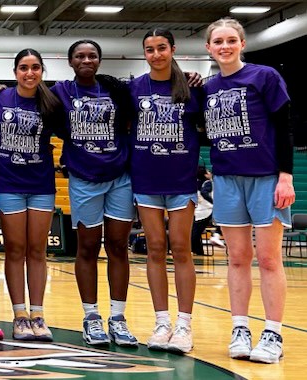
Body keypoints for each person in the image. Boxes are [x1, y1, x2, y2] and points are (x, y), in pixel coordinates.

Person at [203, 17, 293, 364]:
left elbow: (285, 125)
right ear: (209, 48)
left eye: (230, 40)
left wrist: (285, 176)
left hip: (265, 177)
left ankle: (273, 333)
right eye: (218, 42)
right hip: (227, 179)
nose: (224, 46)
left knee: (269, 259)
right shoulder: (209, 88)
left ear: (241, 44)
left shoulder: (264, 76)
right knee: (237, 258)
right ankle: (239, 328)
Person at [52, 39, 137, 347]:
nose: (86, 60)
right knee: (86, 248)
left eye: (92, 55)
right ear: (70, 61)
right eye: (80, 56)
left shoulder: (117, 91)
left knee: (117, 246)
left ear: (99, 61)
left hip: (119, 176)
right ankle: (91, 317)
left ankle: (118, 318)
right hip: (84, 178)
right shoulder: (61, 91)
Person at [130, 28, 203, 353]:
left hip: (180, 180)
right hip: (146, 179)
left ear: (173, 49)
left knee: (181, 247)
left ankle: (184, 325)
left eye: (161, 48)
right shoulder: (134, 88)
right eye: (150, 49)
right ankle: (162, 322)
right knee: (155, 248)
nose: (156, 54)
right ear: (144, 53)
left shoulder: (191, 87)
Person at [0, 49, 62, 342]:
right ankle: (19, 315)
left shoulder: (52, 103)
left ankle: (38, 313)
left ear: (42, 71)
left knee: (37, 251)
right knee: (15, 250)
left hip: (41, 184)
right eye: (23, 67)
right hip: (8, 183)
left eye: (35, 68)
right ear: (15, 71)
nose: (29, 73)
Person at [192, 166, 219, 255]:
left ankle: (198, 251)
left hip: (204, 211)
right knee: (195, 234)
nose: (210, 173)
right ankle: (198, 251)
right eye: (208, 172)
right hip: (205, 210)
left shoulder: (202, 183)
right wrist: (213, 202)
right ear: (204, 174)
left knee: (195, 234)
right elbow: (204, 193)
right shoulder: (207, 183)